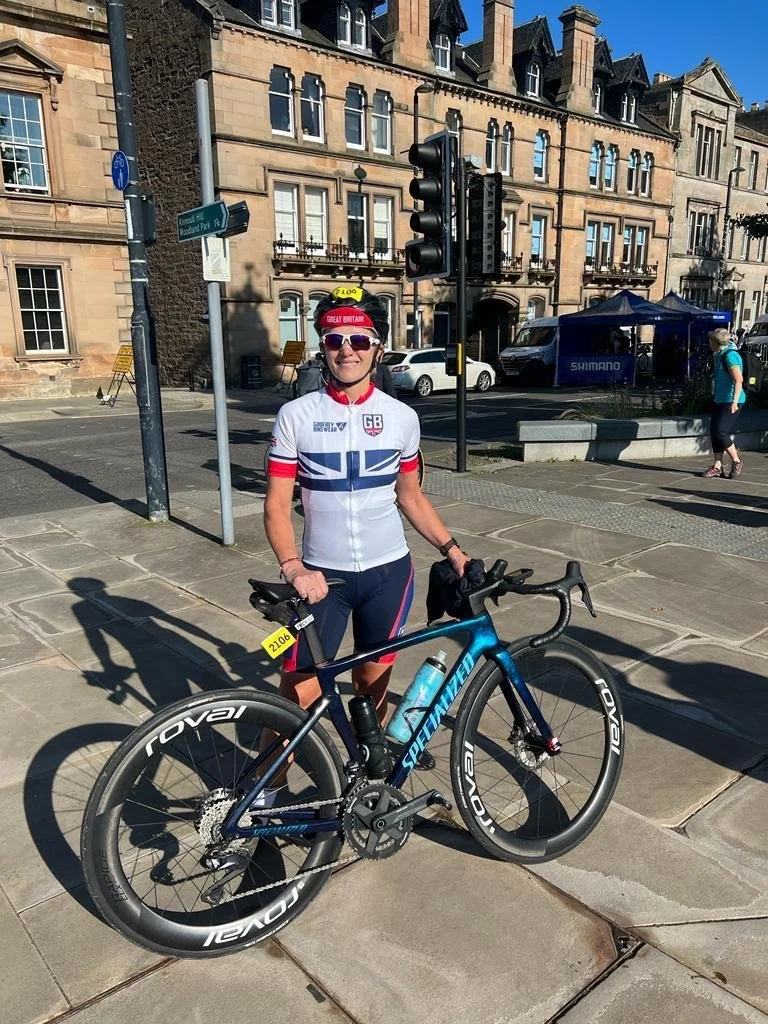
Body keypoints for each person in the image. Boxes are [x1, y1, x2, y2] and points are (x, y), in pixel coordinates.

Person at [264, 285, 470, 728]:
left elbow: (410, 496)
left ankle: (369, 781)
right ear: (323, 347)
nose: (347, 351)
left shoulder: (402, 417)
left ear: (377, 349)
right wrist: (293, 567)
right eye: (335, 340)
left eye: (359, 340)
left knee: (372, 686)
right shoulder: (296, 415)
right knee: (296, 695)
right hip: (322, 578)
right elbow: (277, 506)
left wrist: (453, 552)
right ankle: (265, 795)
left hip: (388, 574)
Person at [702, 327, 745, 479]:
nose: (708, 343)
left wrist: (734, 402)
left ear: (715, 342)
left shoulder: (730, 355)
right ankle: (717, 466)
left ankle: (737, 460)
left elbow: (739, 379)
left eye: (710, 341)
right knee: (715, 432)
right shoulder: (718, 354)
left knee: (721, 432)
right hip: (720, 399)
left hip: (732, 400)